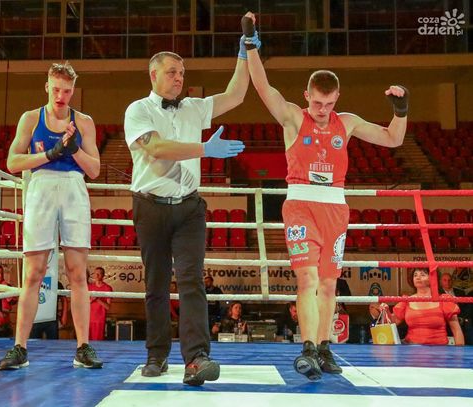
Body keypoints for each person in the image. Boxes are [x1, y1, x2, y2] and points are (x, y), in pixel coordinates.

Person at [243, 13, 408, 380]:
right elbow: (262, 86)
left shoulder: (346, 122)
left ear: (337, 99)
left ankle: (324, 348)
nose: (322, 111)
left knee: (330, 283)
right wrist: (250, 42)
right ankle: (306, 349)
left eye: (329, 104)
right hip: (300, 206)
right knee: (307, 279)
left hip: (335, 207)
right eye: (317, 103)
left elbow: (393, 138)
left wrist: (401, 110)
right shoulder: (292, 117)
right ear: (307, 96)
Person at [123, 15, 254, 385]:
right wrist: (204, 148)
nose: (179, 78)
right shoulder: (138, 110)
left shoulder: (195, 107)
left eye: (181, 73)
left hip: (189, 207)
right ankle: (156, 355)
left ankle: (196, 358)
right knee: (156, 283)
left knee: (193, 281)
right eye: (172, 72)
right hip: (150, 205)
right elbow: (157, 149)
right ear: (153, 75)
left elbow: (236, 94)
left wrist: (245, 52)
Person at [0, 61, 103, 370]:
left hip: (73, 188)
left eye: (66, 91)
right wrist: (49, 154)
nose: (60, 96)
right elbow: (12, 162)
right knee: (33, 272)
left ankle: (83, 347)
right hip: (41, 186)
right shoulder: (31, 118)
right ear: (47, 86)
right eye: (56, 89)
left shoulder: (84, 122)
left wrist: (74, 150)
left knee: (77, 272)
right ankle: (19, 347)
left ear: (73, 91)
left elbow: (95, 170)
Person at [379, 269, 464, 345]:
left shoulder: (444, 300)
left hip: (438, 351)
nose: (418, 277)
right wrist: (386, 311)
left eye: (422, 275)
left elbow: (456, 330)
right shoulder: (407, 301)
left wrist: (459, 354)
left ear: (432, 278)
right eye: (415, 275)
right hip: (411, 350)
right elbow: (392, 322)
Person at [439, 271, 473, 345]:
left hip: (461, 317)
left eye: (449, 280)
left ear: (452, 281)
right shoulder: (438, 293)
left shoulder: (460, 292)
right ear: (441, 282)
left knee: (468, 322)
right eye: (445, 280)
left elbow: (465, 308)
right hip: (446, 318)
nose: (447, 282)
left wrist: (462, 318)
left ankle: (470, 347)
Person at [88, 266, 113, 341]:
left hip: (100, 320)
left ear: (103, 275)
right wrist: (91, 300)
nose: (97, 276)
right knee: (87, 342)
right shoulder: (89, 287)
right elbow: (84, 304)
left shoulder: (108, 288)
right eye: (95, 274)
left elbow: (108, 307)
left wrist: (98, 299)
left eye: (99, 274)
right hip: (88, 319)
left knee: (98, 342)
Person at [0, 265, 17, 337]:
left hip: (5, 324)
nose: (0, 275)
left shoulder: (7, 286)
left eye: (1, 273)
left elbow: (14, 301)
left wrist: (6, 290)